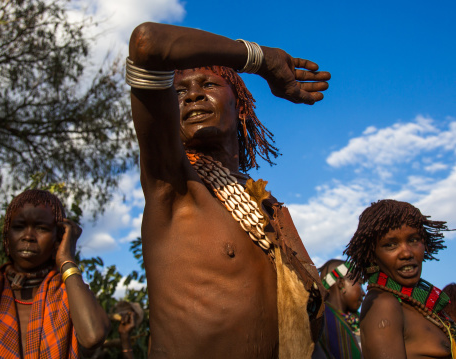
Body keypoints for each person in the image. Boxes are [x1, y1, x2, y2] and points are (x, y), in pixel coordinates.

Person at [128, 22, 331, 358]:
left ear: (240, 106)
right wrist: (259, 59)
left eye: (208, 84)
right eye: (179, 91)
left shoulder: (269, 210)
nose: (193, 95)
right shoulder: (172, 185)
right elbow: (148, 44)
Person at [0, 189, 110, 358]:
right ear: (6, 237)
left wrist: (67, 260)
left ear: (59, 237)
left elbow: (93, 336)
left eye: (41, 228)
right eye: (19, 227)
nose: (28, 236)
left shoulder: (71, 295)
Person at [344, 199, 456, 359]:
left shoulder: (419, 304)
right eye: (390, 245)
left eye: (413, 240)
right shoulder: (384, 305)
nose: (406, 253)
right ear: (372, 255)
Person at [316, 259, 363, 359]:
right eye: (359, 282)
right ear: (341, 283)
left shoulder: (356, 320)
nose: (363, 293)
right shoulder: (322, 321)